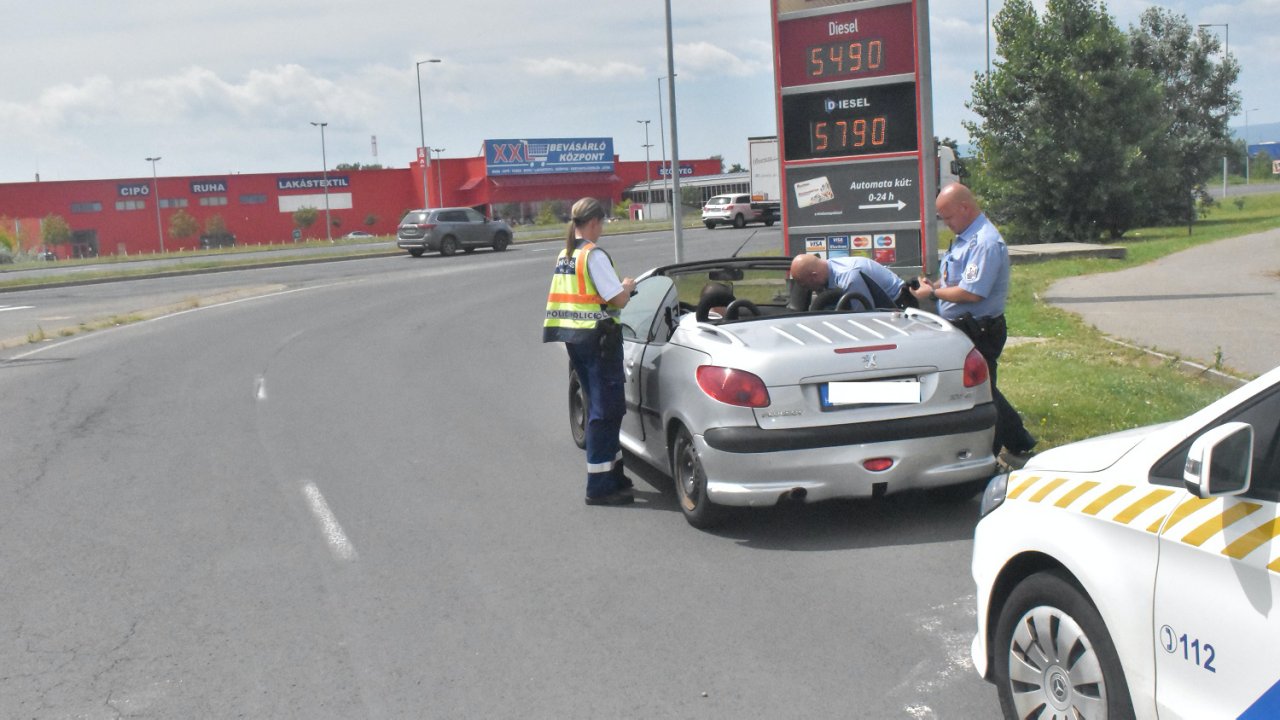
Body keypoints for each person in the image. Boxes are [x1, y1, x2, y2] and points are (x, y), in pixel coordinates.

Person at [910, 183, 1037, 464]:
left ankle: (999, 449)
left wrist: (931, 294)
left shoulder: (984, 242)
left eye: (948, 216)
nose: (946, 223)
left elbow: (972, 292)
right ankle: (1016, 441)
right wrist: (937, 284)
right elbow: (957, 279)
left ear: (965, 208)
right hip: (964, 327)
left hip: (980, 328)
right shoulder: (966, 237)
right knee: (984, 389)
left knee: (982, 391)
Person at [543, 197, 637, 506]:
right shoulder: (592, 255)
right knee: (606, 410)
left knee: (601, 406)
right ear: (594, 222)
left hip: (576, 339)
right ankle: (598, 485)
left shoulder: (566, 254)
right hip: (599, 342)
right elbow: (618, 299)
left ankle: (614, 473)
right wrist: (627, 285)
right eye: (603, 222)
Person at [789, 253, 919, 310]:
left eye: (806, 285)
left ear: (814, 276)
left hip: (900, 305)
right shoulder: (830, 267)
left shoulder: (849, 278)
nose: (809, 289)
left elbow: (863, 316)